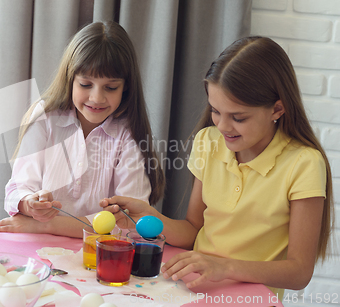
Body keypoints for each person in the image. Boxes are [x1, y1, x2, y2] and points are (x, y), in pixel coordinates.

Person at [100, 36, 333, 299]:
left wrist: (224, 267)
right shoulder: (208, 141)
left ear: (277, 109)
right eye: (216, 111)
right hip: (192, 289)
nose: (222, 126)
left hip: (250, 300)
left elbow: (299, 272)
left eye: (239, 117)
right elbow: (192, 229)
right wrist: (149, 216)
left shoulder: (304, 164)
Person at [0, 21, 165, 238]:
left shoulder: (127, 135)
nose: (97, 98)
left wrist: (47, 225)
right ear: (70, 79)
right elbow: (17, 189)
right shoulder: (45, 117)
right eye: (85, 84)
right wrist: (29, 204)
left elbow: (130, 223)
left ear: (125, 87)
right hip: (38, 245)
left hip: (97, 253)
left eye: (110, 88)